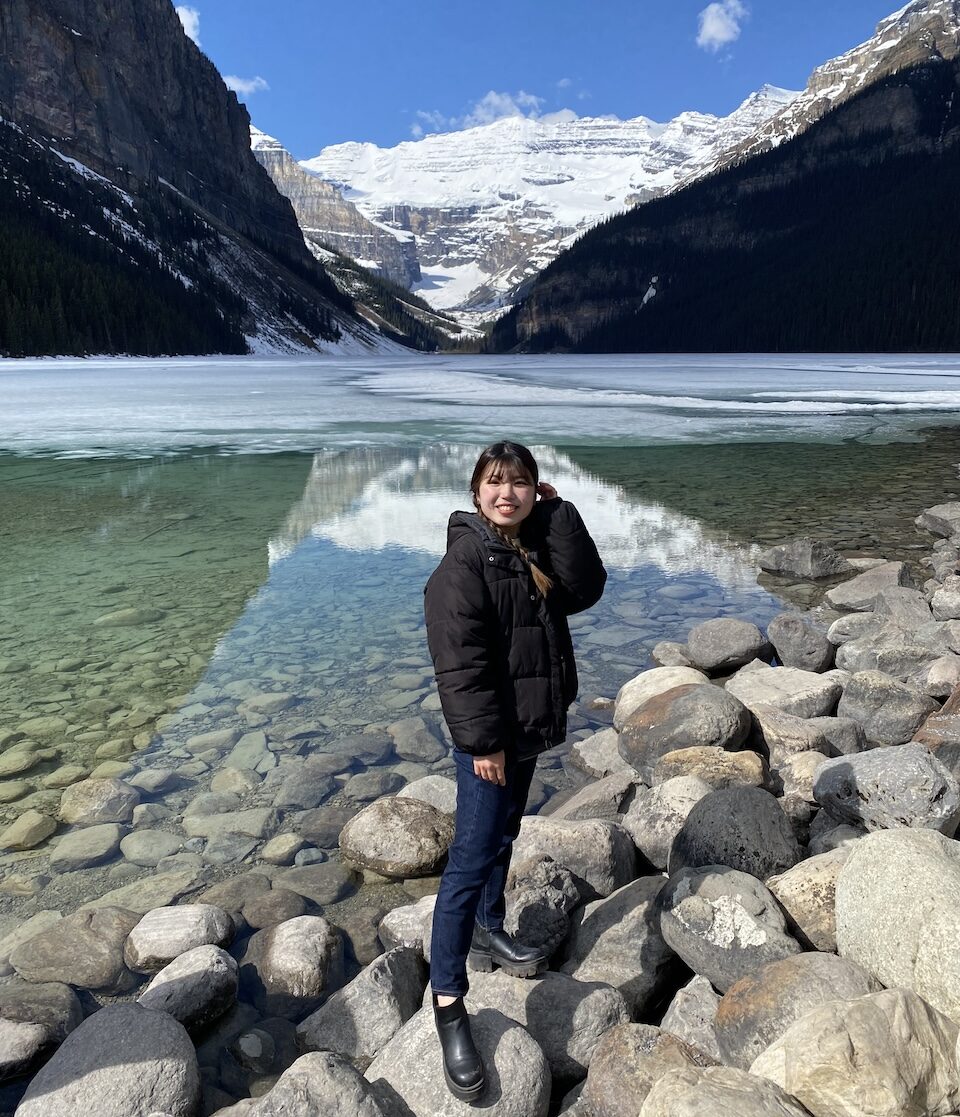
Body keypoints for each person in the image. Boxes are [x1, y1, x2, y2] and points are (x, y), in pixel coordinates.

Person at [423, 440, 607, 1100]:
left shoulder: (531, 545)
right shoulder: (465, 559)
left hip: (525, 731)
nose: (508, 492)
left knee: (502, 839)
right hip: (491, 743)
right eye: (496, 483)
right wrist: (482, 743)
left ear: (535, 489)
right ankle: (447, 1001)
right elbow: (461, 663)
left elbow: (587, 587)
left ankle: (488, 929)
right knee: (468, 859)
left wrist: (560, 516)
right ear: (476, 492)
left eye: (521, 482)